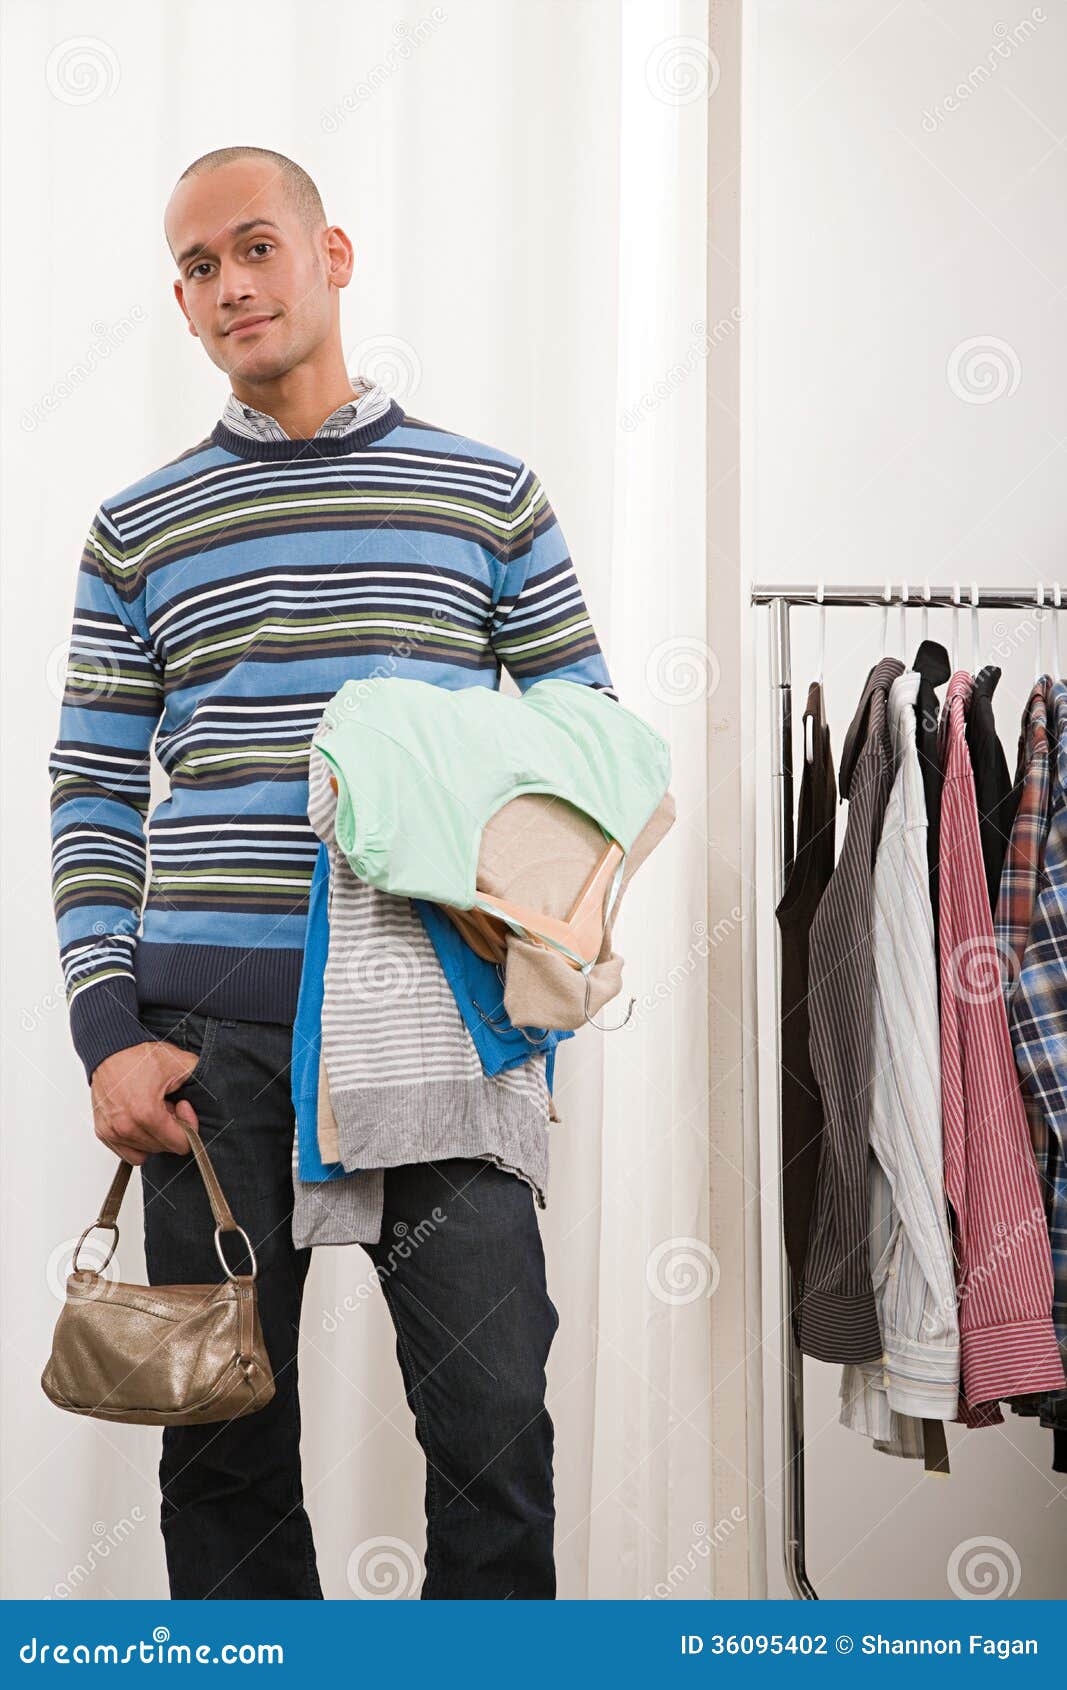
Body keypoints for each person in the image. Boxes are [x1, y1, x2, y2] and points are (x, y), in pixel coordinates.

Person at [47, 146, 617, 1601]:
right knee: (221, 1446)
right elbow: (96, 786)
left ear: (331, 253)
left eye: (254, 246)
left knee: (496, 1436)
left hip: (438, 1023)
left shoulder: (488, 495)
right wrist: (108, 1030)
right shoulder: (136, 527)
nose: (230, 284)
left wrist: (518, 948)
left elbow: (597, 753)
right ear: (180, 304)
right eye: (196, 266)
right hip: (211, 1056)